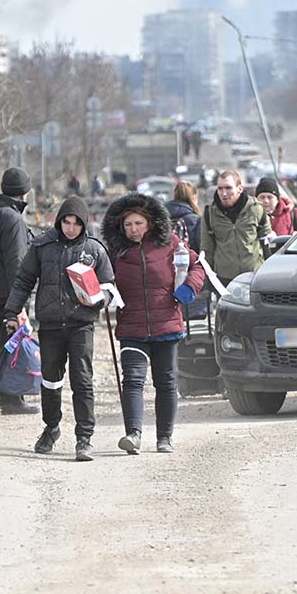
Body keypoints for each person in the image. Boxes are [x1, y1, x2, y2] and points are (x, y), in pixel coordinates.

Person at [3, 196, 114, 462]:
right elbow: (23, 280)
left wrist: (99, 299)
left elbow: (109, 285)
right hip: (51, 324)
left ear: (84, 224)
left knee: (82, 379)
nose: (71, 228)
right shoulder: (42, 246)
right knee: (50, 380)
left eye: (76, 223)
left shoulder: (94, 249)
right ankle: (51, 427)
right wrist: (12, 313)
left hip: (82, 324)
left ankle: (84, 437)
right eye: (67, 222)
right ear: (59, 221)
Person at [101, 193, 206, 454]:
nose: (133, 229)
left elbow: (197, 266)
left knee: (166, 381)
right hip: (131, 326)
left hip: (166, 324)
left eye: (138, 223)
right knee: (133, 380)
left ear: (149, 222)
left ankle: (164, 437)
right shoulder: (115, 251)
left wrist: (189, 288)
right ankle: (133, 435)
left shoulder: (170, 243)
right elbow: (102, 280)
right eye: (128, 224)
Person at [0, 167, 37, 414]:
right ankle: (11, 397)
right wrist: (20, 304)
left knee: (5, 341)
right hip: (12, 293)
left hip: (1, 290)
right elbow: (16, 262)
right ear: (25, 193)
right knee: (12, 341)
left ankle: (7, 395)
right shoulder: (12, 218)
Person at [202, 170, 272, 287]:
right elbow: (206, 250)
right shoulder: (209, 214)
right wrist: (206, 283)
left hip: (253, 276)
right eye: (220, 189)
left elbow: (268, 243)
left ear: (239, 188)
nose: (224, 193)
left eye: (228, 188)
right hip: (224, 279)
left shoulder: (256, 209)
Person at [166, 181, 202, 252]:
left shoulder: (163, 217)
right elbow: (201, 246)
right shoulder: (196, 220)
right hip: (189, 257)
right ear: (194, 198)